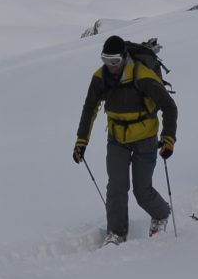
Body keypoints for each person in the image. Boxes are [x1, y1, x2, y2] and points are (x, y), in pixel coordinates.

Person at [73, 35, 178, 244]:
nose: (110, 66)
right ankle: (117, 233)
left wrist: (168, 139)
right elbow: (89, 109)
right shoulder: (100, 78)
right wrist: (81, 141)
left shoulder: (142, 76)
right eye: (105, 60)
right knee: (116, 188)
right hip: (117, 138)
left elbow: (169, 106)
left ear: (124, 57)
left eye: (114, 61)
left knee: (141, 190)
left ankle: (161, 214)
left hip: (145, 138)